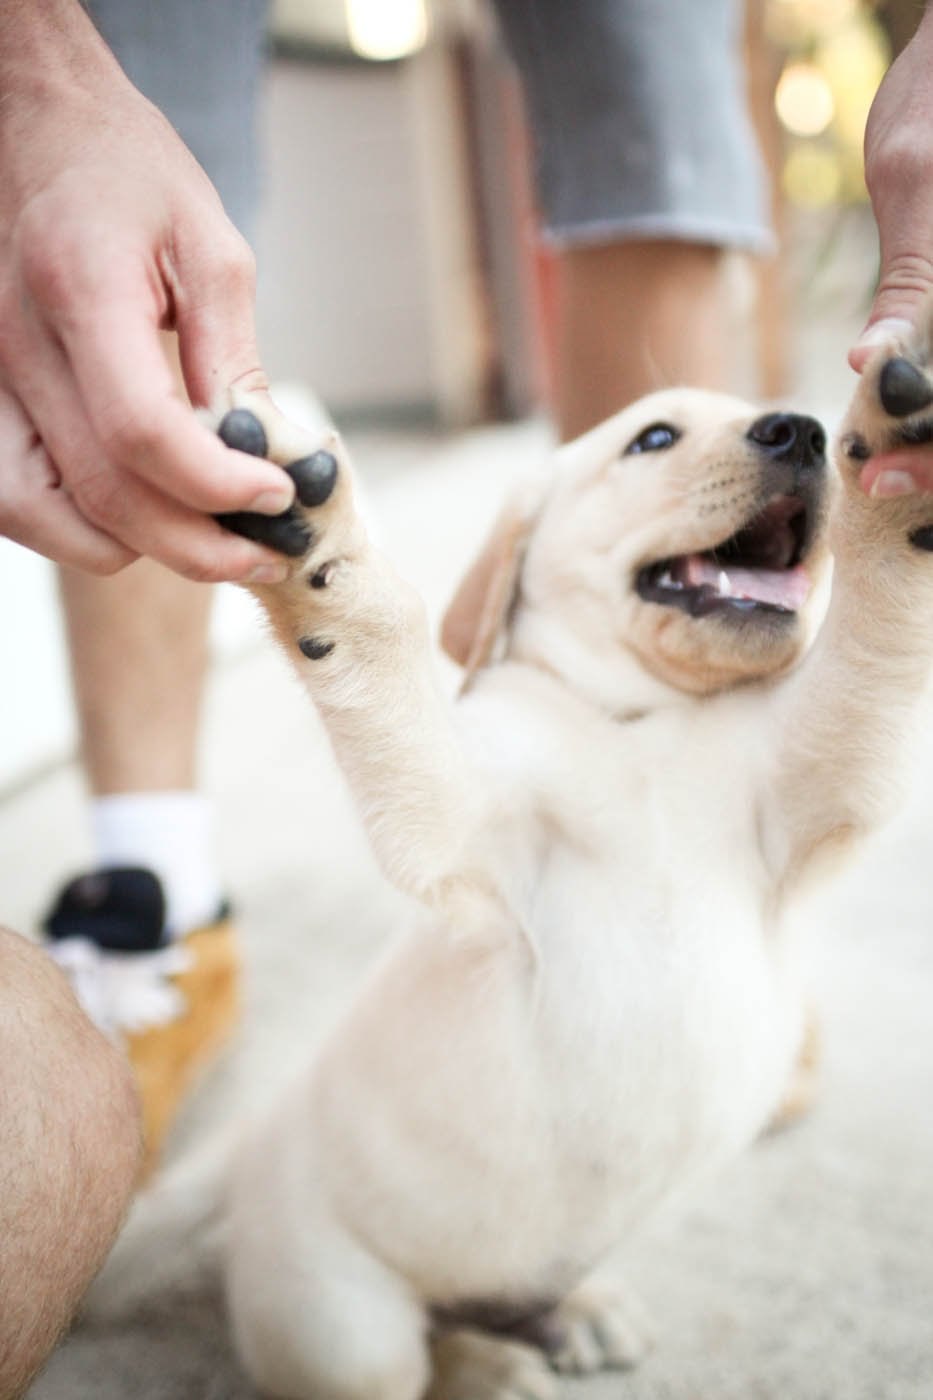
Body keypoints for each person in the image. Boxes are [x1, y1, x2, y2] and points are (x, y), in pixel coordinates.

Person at [2, 0, 932, 1390]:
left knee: (656, 160)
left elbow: (853, 728)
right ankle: (161, 916)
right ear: (507, 571)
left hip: (555, 1217)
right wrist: (353, 607)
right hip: (360, 1236)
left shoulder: (753, 749)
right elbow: (434, 817)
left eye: (777, 447)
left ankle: (526, 1294)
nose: (770, 444)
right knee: (366, 1371)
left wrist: (879, 556)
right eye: (659, 438)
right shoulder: (526, 717)